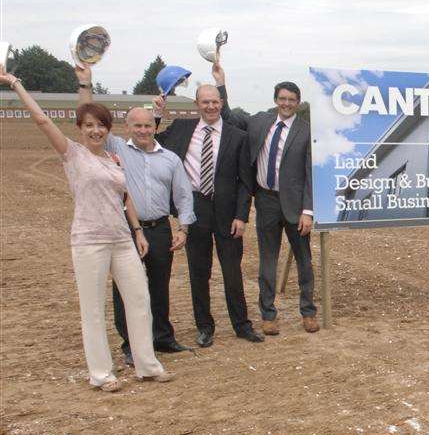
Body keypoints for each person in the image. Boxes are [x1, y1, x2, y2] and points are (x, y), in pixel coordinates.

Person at [0, 64, 173, 391]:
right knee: (93, 309)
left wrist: (137, 231)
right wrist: (15, 83)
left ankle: (146, 365)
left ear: (108, 129)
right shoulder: (73, 154)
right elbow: (42, 120)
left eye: (101, 126)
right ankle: (102, 374)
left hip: (122, 241)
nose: (96, 131)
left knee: (139, 300)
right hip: (89, 242)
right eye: (89, 126)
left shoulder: (114, 159)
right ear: (81, 128)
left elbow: (125, 198)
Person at [75, 65, 195, 366]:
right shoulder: (116, 148)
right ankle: (130, 344)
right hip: (125, 230)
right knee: (125, 289)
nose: (142, 131)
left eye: (147, 126)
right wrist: (85, 84)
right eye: (136, 126)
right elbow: (90, 118)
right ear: (127, 128)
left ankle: (162, 338)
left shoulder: (170, 159)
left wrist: (183, 228)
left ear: (155, 127)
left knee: (158, 284)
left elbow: (183, 195)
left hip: (159, 229)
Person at [155, 65, 263, 347]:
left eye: (215, 102)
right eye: (206, 102)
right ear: (197, 104)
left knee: (232, 272)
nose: (211, 106)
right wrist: (156, 113)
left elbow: (244, 181)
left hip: (227, 213)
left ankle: (242, 325)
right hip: (194, 210)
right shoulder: (181, 129)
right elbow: (149, 142)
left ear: (222, 104)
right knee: (199, 272)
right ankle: (205, 327)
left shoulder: (237, 136)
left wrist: (242, 216)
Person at [214, 63, 318, 335]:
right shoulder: (259, 121)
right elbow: (227, 116)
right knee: (267, 262)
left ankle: (308, 312)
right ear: (275, 100)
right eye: (282, 99)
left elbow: (309, 172)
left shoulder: (307, 131)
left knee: (304, 262)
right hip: (266, 202)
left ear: (298, 103)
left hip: (296, 206)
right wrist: (221, 84)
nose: (287, 103)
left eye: (292, 100)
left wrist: (308, 210)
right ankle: (268, 315)